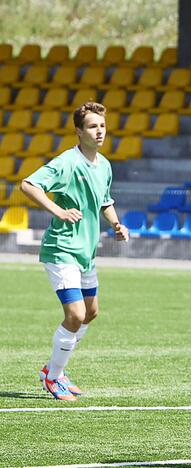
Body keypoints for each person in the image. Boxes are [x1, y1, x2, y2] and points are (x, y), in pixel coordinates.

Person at [21, 102, 130, 401]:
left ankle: (57, 369)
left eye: (102, 126)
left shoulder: (104, 165)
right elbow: (28, 185)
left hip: (86, 252)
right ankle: (52, 377)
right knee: (76, 314)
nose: (99, 131)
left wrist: (117, 224)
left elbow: (104, 201)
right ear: (78, 131)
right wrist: (59, 210)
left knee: (91, 313)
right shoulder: (66, 162)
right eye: (93, 126)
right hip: (62, 250)